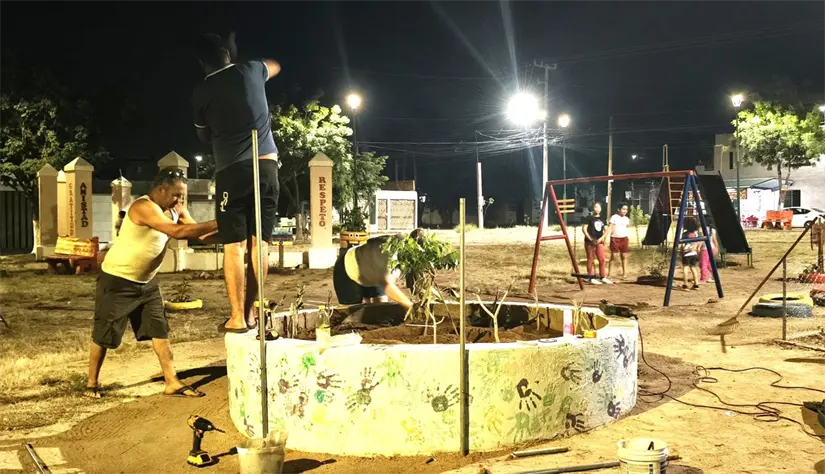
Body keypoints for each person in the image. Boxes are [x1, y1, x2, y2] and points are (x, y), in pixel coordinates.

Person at [86, 169, 218, 398]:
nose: (179, 200)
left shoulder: (176, 209)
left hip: (146, 283)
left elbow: (201, 235)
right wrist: (221, 221)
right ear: (160, 189)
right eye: (176, 195)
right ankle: (92, 384)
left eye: (182, 196)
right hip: (118, 279)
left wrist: (236, 233)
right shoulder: (143, 207)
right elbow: (178, 232)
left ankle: (172, 382)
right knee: (104, 333)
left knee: (160, 331)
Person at [192, 33, 282, 333]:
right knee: (261, 245)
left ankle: (237, 318)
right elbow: (275, 65)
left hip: (232, 170)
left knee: (234, 246)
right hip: (268, 166)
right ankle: (252, 313)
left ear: (202, 61)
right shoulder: (252, 70)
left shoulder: (202, 92)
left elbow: (203, 135)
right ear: (227, 52)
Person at [333, 235, 413, 309]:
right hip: (347, 268)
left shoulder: (411, 259)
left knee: (381, 306)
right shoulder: (388, 253)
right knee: (352, 311)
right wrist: (410, 306)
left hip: (373, 273)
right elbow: (389, 288)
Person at [582, 202, 612, 285]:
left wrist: (602, 239)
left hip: (599, 241)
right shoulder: (588, 218)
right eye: (595, 207)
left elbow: (606, 230)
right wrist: (590, 239)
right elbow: (584, 229)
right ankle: (590, 277)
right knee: (590, 259)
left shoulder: (602, 218)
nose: (597, 209)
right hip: (590, 241)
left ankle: (603, 277)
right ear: (593, 208)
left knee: (602, 259)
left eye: (599, 207)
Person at [608, 203, 631, 279]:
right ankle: (609, 273)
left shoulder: (626, 219)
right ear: (619, 209)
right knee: (613, 255)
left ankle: (624, 273)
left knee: (624, 256)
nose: (625, 211)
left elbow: (626, 227)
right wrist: (611, 235)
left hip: (624, 238)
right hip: (615, 238)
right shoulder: (614, 217)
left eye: (626, 209)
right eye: (623, 209)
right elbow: (611, 227)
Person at [680, 218, 701, 290]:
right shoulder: (696, 233)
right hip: (694, 253)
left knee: (685, 268)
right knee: (693, 268)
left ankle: (685, 284)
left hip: (686, 253)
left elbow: (682, 245)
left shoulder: (685, 234)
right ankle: (696, 284)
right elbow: (698, 243)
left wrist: (681, 253)